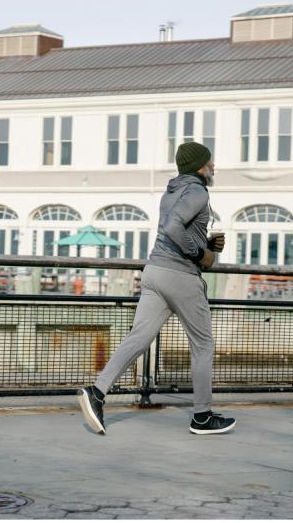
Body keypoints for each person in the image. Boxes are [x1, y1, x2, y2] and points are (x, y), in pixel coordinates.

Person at [78, 141, 236, 436]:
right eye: (210, 162)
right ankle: (202, 416)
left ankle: (97, 392)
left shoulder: (172, 191)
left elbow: (176, 228)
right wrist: (199, 254)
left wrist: (207, 245)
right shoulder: (199, 191)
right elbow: (173, 227)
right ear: (200, 166)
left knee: (139, 337)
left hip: (154, 272)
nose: (213, 166)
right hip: (180, 276)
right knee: (203, 344)